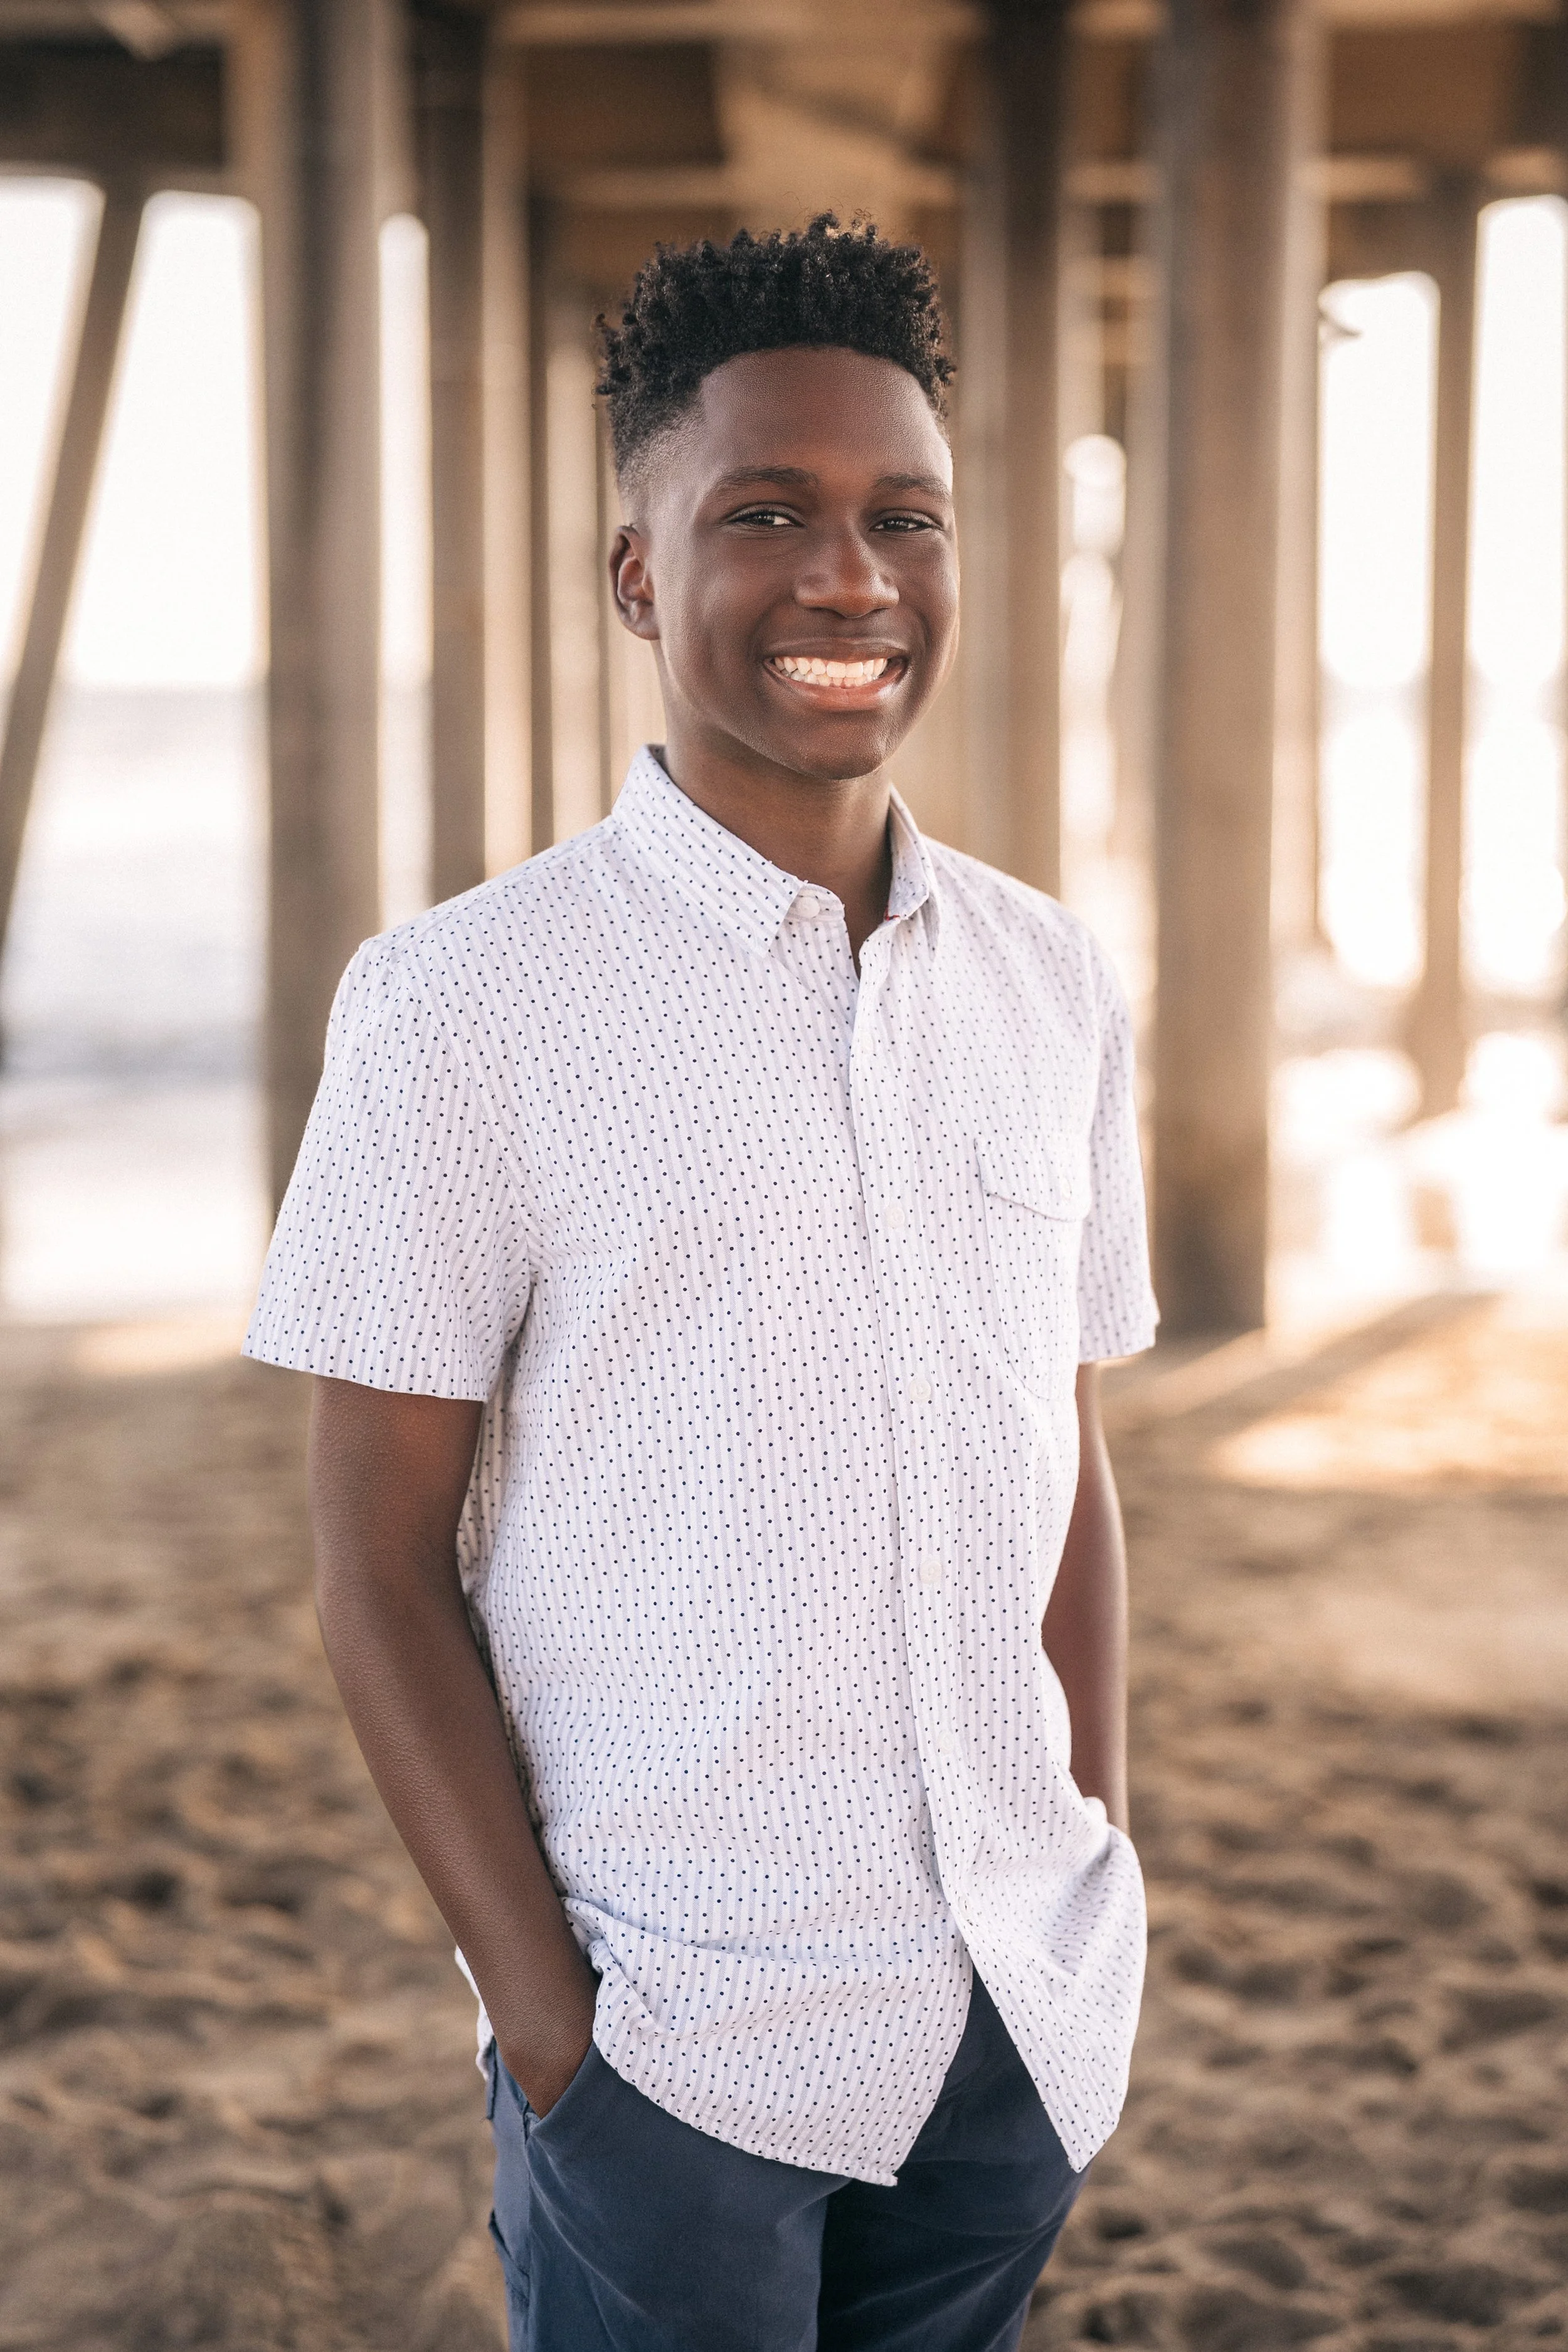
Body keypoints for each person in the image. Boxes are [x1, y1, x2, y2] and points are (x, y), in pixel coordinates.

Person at [246, 215, 1158, 2352]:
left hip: (1012, 2019)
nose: (850, 578)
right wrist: (555, 2032)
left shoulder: (1047, 979)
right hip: (678, 2047)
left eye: (901, 519)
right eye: (768, 515)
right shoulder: (461, 1004)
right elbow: (375, 1567)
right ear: (642, 576)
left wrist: (1091, 1844)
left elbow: (1067, 1448)